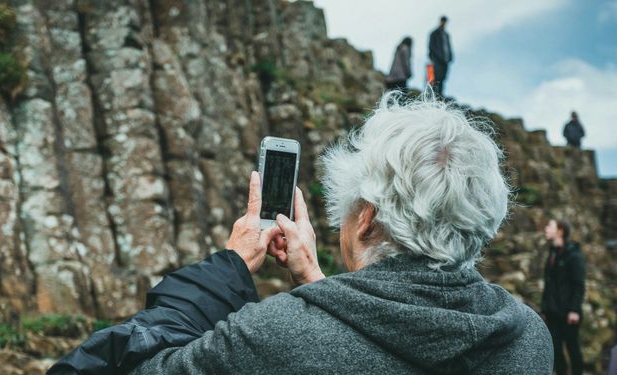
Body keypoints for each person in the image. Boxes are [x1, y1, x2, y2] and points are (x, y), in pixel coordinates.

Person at [48, 92, 553, 374]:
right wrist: (319, 285)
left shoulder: (274, 336)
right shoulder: (527, 338)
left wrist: (223, 272)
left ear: (367, 219)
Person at [542, 218, 586, 375]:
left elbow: (578, 285)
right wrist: (545, 308)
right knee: (556, 350)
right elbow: (549, 285)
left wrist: (574, 310)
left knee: (573, 349)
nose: (546, 228)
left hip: (569, 313)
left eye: (549, 226)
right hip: (553, 313)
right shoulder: (552, 253)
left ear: (560, 231)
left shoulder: (573, 255)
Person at [428, 16, 453, 97]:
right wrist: (437, 57)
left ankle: (440, 96)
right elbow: (431, 47)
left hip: (445, 61)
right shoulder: (434, 33)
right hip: (437, 60)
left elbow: (449, 47)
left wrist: (450, 57)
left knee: (443, 79)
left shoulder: (446, 35)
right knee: (435, 78)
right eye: (443, 21)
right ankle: (433, 96)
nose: (444, 23)